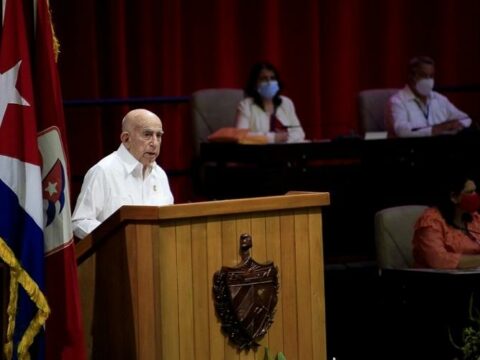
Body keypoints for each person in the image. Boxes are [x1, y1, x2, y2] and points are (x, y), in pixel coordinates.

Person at [72, 108, 174, 239]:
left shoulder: (160, 174)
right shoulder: (103, 171)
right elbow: (80, 222)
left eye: (158, 136)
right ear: (126, 139)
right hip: (116, 255)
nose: (154, 143)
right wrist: (118, 235)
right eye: (147, 134)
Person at [386, 56, 472, 138]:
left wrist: (458, 124)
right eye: (423, 75)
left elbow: (465, 118)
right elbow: (401, 130)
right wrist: (434, 130)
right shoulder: (397, 101)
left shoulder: (439, 99)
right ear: (411, 77)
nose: (428, 80)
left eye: (431, 76)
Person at [412, 173, 480, 269]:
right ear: (453, 197)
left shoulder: (474, 218)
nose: (475, 196)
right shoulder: (431, 221)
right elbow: (438, 260)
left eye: (475, 191)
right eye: (470, 192)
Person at [235, 61, 306, 143]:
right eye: (264, 79)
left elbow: (300, 133)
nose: (269, 82)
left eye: (272, 78)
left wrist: (284, 138)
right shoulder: (245, 105)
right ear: (254, 84)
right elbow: (240, 136)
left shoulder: (286, 103)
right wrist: (272, 138)